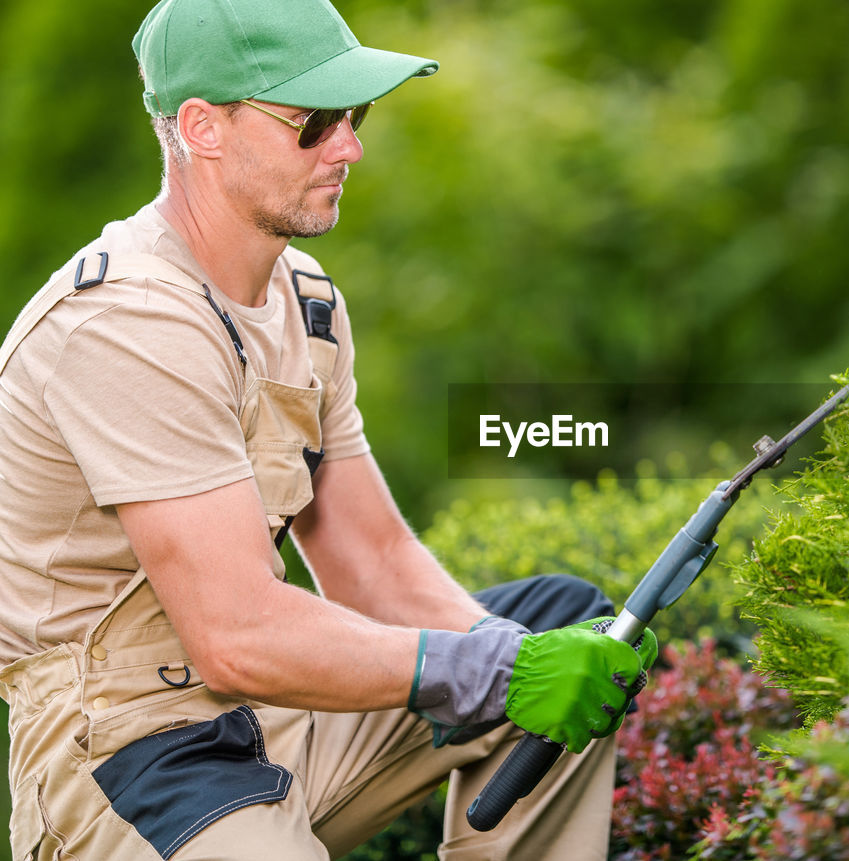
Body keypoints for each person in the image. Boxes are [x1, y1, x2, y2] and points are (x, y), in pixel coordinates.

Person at [0, 0, 656, 858]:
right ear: (202, 126)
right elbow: (235, 633)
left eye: (355, 115)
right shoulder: (124, 324)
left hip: (267, 710)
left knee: (565, 627)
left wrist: (519, 668)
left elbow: (372, 561)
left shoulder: (305, 302)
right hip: (125, 744)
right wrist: (495, 672)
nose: (348, 147)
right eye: (311, 123)